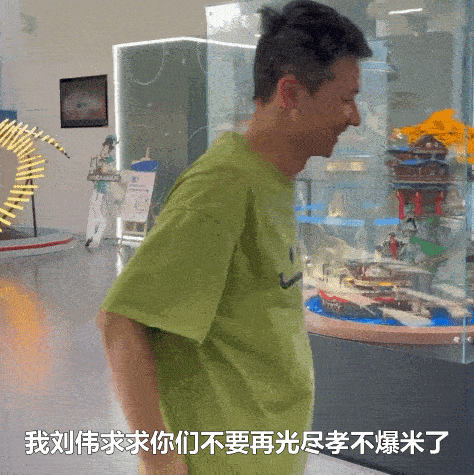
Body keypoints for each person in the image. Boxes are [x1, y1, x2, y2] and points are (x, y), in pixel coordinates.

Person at [96, 1, 372, 473]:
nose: (356, 117)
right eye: (345, 99)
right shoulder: (223, 187)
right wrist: (162, 462)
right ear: (291, 94)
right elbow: (121, 321)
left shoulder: (270, 177)